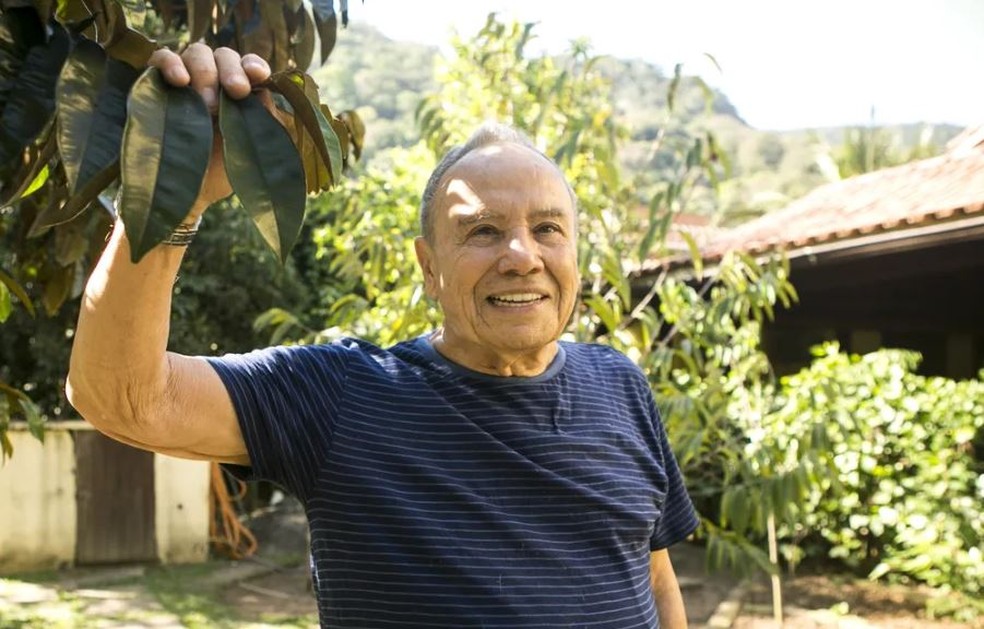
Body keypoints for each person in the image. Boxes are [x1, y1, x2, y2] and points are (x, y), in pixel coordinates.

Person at [67, 44, 699, 628]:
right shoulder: (343, 396)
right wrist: (172, 194)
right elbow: (122, 396)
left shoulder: (621, 386)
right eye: (483, 230)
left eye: (548, 229)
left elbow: (654, 578)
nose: (522, 256)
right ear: (429, 267)